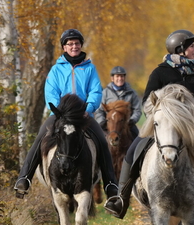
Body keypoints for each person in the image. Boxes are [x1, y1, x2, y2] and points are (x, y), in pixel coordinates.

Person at [104, 30, 194, 225]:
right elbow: (147, 102)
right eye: (192, 45)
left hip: (191, 129)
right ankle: (120, 199)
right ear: (181, 49)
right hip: (162, 129)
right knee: (133, 152)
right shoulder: (160, 72)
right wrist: (160, 118)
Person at [13, 29, 119, 200]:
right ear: (64, 47)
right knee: (41, 136)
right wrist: (57, 111)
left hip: (83, 115)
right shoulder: (56, 70)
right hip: (61, 115)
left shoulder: (90, 68)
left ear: (81, 45)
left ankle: (111, 185)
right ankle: (24, 178)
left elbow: (95, 91)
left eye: (77, 43)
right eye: (70, 44)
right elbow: (51, 92)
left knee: (101, 140)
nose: (74, 46)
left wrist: (88, 109)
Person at [94, 66, 142, 140]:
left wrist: (131, 121)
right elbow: (99, 110)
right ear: (112, 78)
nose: (120, 79)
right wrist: (102, 122)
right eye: (117, 76)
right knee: (97, 139)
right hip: (109, 125)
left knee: (138, 138)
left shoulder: (132, 93)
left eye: (122, 76)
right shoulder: (105, 93)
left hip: (127, 125)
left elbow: (137, 110)